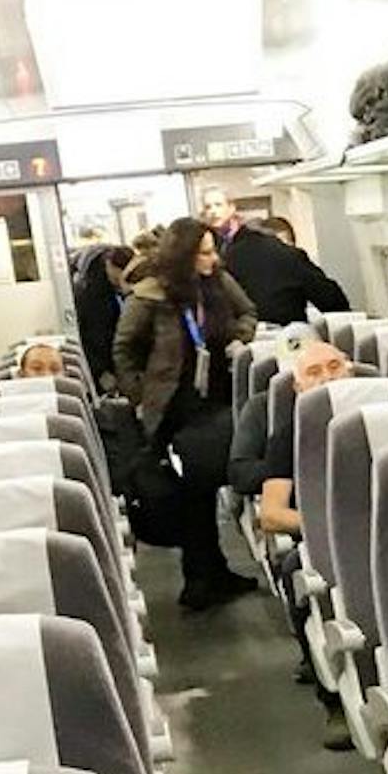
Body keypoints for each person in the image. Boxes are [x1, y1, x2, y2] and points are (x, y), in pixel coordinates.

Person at [113, 216, 260, 609]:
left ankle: (208, 573)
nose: (213, 259)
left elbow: (248, 313)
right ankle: (201, 578)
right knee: (190, 491)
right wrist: (140, 397)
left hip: (214, 397)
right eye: (205, 253)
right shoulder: (148, 296)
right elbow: (124, 350)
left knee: (204, 488)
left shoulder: (218, 284)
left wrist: (237, 337)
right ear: (185, 256)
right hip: (172, 406)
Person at [255, 340, 356, 750]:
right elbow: (272, 514)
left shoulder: (387, 419)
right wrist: (328, 527)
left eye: (335, 366)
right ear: (298, 390)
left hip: (385, 540)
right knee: (297, 566)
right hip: (324, 538)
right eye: (314, 372)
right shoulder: (289, 437)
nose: (328, 376)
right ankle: (331, 698)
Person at [202, 192, 350, 325]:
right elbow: (333, 301)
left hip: (245, 337)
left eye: (218, 205)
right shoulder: (285, 255)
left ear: (231, 208)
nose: (213, 212)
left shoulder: (224, 256)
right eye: (208, 207)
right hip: (291, 336)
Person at [73, 246, 132, 388]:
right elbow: (87, 336)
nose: (123, 279)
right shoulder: (89, 295)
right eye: (121, 274)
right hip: (101, 365)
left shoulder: (119, 291)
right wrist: (100, 371)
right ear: (110, 266)